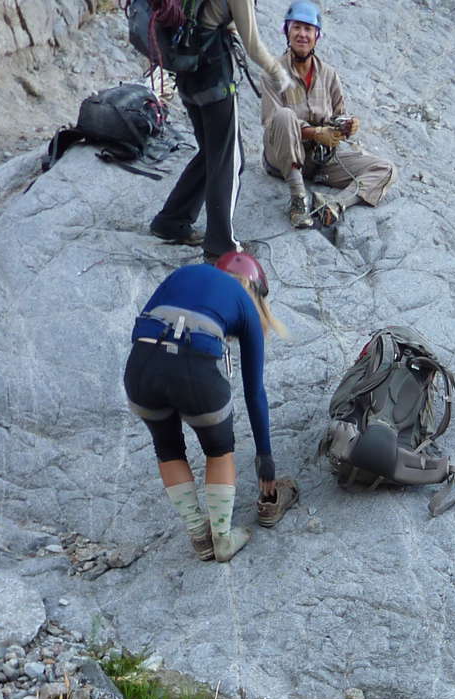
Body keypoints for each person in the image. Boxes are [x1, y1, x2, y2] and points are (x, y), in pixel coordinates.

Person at [123, 251, 299, 562]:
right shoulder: (245, 303)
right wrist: (265, 457)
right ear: (254, 288)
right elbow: (254, 392)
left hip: (140, 371)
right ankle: (222, 538)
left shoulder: (183, 274)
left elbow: (145, 323)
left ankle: (199, 537)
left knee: (167, 447)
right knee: (218, 449)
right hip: (195, 371)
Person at [149, 0, 290, 258]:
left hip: (187, 72)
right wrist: (279, 73)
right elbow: (253, 44)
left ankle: (171, 221)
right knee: (229, 161)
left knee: (211, 152)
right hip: (213, 76)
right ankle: (221, 244)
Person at [260, 1, 396, 227]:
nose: (302, 34)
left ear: (317, 36)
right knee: (284, 115)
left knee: (385, 169)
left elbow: (338, 115)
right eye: (296, 27)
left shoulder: (329, 74)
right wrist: (315, 133)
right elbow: (271, 121)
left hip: (319, 160)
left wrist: (347, 126)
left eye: (308, 29)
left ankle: (335, 203)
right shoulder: (272, 73)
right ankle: (298, 200)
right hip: (281, 157)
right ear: (287, 31)